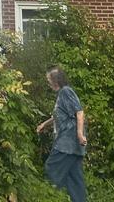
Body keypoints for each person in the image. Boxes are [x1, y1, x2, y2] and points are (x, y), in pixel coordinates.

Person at [36, 66, 87, 202]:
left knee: (51, 167)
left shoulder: (65, 91)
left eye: (49, 79)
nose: (48, 82)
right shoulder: (63, 94)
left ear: (56, 80)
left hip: (67, 143)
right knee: (75, 180)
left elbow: (79, 112)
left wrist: (80, 134)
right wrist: (44, 125)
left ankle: (49, 197)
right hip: (73, 147)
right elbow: (59, 115)